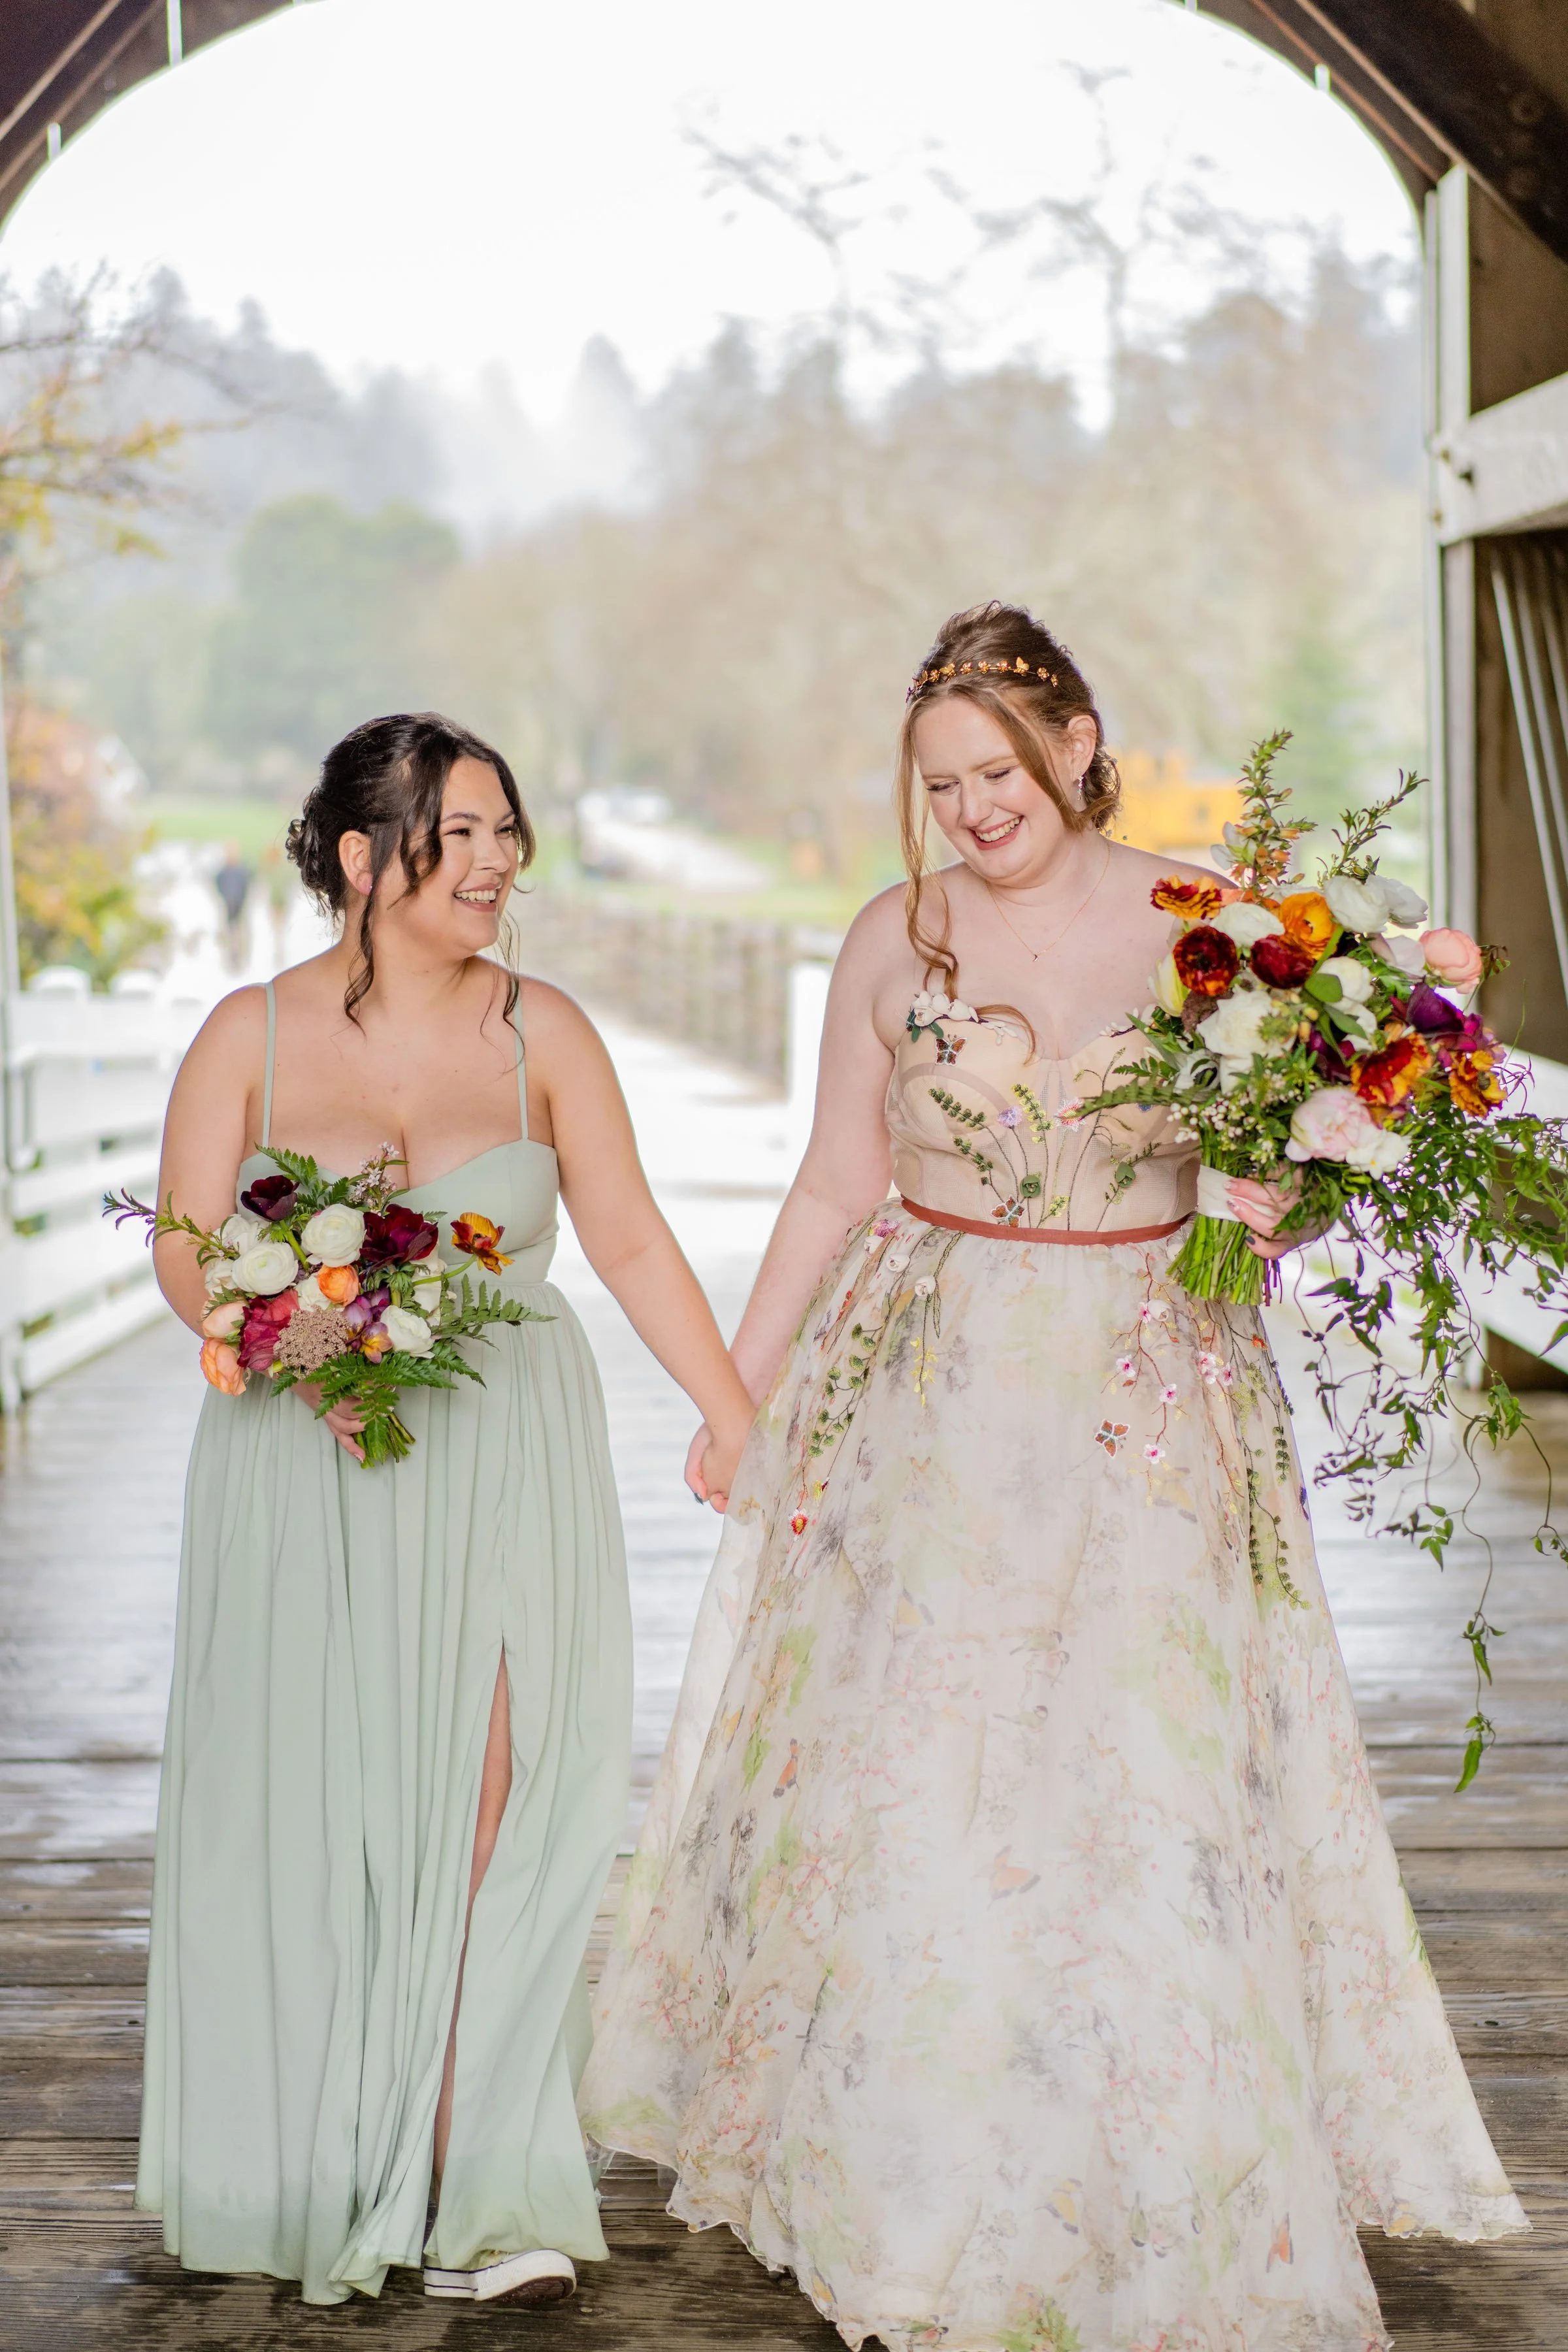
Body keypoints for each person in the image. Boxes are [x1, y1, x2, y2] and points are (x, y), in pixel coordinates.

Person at [579, 606, 1527, 2352]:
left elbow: (1318, 1151)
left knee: (1139, 1760)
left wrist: (1281, 1196)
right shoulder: (895, 936)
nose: (968, 810)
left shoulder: (1221, 931)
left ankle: (1152, 2164)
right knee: (927, 1760)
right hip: (927, 1388)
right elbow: (827, 1184)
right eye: (938, 785)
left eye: (996, 774)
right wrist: (741, 1387)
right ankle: (916, 2169)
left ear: (1078, 745)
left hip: (1150, 1387)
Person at [137, 712, 755, 2307]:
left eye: (503, 833)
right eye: (457, 833)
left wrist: (731, 1408)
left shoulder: (542, 1032)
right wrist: (287, 1328)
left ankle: (488, 2183)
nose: (495, 864)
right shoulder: (247, 1035)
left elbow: (619, 1233)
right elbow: (188, 1250)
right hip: (302, 1463)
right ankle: (334, 2153)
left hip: (501, 1455)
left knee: (501, 1794)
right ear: (361, 857)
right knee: (323, 1799)